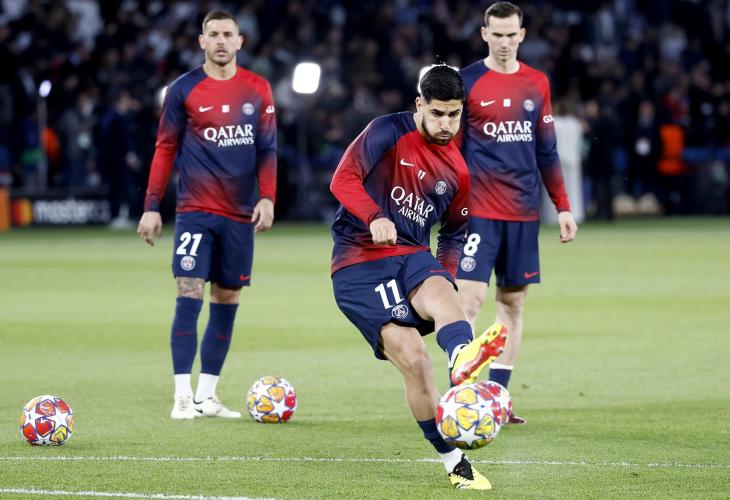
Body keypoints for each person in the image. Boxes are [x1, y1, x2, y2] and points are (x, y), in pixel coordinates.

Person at [330, 65, 507, 491]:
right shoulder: (386, 131)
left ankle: (461, 355)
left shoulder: (457, 171)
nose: (446, 124)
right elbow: (343, 179)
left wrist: (444, 276)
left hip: (411, 254)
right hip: (359, 262)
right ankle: (454, 462)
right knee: (414, 358)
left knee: (446, 293)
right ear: (420, 105)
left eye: (454, 115)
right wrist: (373, 215)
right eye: (438, 113)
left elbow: (454, 234)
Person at [137, 9, 277, 420]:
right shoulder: (183, 89)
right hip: (195, 210)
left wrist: (267, 198)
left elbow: (267, 149)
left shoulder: (257, 88)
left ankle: (207, 396)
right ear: (201, 41)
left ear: (239, 41)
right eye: (213, 34)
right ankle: (182, 396)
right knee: (189, 292)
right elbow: (165, 147)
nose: (220, 41)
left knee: (227, 298)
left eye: (227, 34)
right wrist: (151, 206)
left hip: (239, 214)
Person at [456, 2, 578, 424]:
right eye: (498, 34)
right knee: (468, 302)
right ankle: (462, 392)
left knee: (512, 304)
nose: (505, 42)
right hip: (478, 211)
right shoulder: (467, 81)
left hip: (523, 212)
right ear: (484, 34)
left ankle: (498, 397)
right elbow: (451, 148)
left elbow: (547, 149)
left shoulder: (536, 82)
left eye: (512, 34)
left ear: (522, 35)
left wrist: (563, 206)